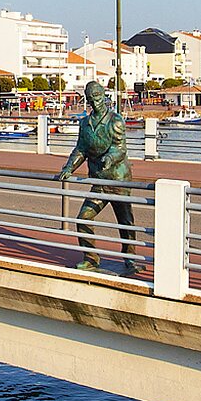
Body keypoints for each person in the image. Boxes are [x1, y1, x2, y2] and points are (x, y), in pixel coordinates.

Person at [56, 80, 140, 275]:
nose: (95, 102)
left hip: (118, 179)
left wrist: (110, 158)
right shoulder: (85, 123)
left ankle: (130, 259)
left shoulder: (116, 120)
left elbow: (120, 148)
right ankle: (91, 259)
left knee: (125, 221)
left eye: (98, 97)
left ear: (104, 96)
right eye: (91, 99)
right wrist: (69, 167)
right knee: (83, 219)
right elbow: (81, 149)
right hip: (99, 180)